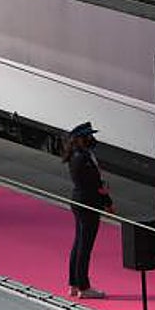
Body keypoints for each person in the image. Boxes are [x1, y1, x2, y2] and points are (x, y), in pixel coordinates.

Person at [63, 121, 111, 299]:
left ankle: (74, 284)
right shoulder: (82, 158)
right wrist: (106, 200)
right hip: (87, 203)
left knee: (79, 243)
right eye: (88, 136)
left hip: (81, 201)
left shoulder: (78, 155)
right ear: (79, 139)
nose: (92, 139)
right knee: (85, 246)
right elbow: (95, 183)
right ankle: (84, 286)